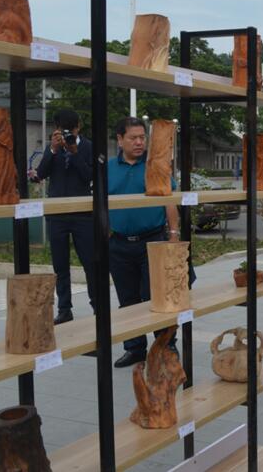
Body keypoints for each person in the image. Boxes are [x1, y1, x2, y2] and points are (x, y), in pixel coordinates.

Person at [108, 117, 181, 368]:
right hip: (119, 245)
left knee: (159, 297)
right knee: (127, 300)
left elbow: (169, 200)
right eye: (133, 138)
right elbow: (101, 205)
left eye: (142, 137)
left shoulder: (155, 165)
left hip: (153, 242)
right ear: (120, 140)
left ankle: (166, 346)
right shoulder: (107, 168)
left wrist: (174, 235)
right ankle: (135, 348)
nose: (139, 142)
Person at [34, 109, 95, 324]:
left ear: (79, 127)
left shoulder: (88, 147)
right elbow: (41, 174)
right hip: (57, 214)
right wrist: (52, 149)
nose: (67, 133)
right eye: (63, 129)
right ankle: (64, 309)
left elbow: (90, 176)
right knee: (60, 265)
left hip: (83, 214)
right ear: (56, 129)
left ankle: (97, 306)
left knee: (90, 263)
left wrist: (75, 153)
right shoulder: (54, 148)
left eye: (71, 129)